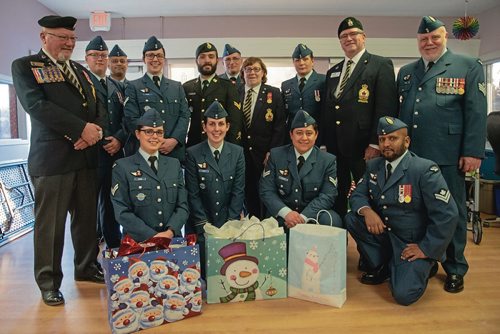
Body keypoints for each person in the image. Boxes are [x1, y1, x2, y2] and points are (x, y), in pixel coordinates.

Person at [11, 15, 107, 306]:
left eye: (72, 38)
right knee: (50, 227)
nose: (68, 43)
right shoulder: (26, 67)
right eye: (62, 37)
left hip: (87, 157)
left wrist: (96, 131)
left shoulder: (80, 69)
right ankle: (49, 282)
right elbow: (37, 106)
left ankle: (87, 267)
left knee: (87, 221)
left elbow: (97, 104)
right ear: (44, 38)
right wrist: (81, 130)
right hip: (53, 160)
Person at [397, 16, 487, 293]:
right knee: (418, 211)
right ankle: (428, 257)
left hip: (447, 156)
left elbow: (476, 112)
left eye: (434, 37)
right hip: (413, 157)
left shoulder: (467, 66)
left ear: (445, 36)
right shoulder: (407, 71)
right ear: (418, 42)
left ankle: (455, 267)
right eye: (424, 39)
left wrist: (472, 151)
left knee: (452, 213)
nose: (429, 42)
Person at [345, 116, 458, 305]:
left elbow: (447, 214)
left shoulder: (424, 169)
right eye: (382, 139)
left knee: (404, 296)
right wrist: (367, 211)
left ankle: (426, 264)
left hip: (411, 243)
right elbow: (357, 195)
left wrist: (425, 249)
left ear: (406, 141)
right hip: (385, 234)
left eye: (392, 138)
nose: (386, 144)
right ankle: (383, 265)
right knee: (352, 218)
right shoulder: (374, 166)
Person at [321, 17, 398, 220]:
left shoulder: (380, 65)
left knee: (370, 197)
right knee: (336, 196)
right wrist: (325, 144)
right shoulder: (333, 71)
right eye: (344, 36)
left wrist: (376, 142)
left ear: (363, 37)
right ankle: (337, 242)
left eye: (353, 34)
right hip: (335, 150)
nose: (349, 38)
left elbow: (386, 108)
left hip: (365, 149)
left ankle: (369, 249)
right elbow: (329, 110)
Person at [184, 101, 245, 276]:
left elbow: (238, 191)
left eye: (220, 124)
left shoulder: (237, 153)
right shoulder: (193, 153)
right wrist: (204, 225)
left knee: (230, 272)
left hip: (228, 221)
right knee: (203, 274)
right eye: (211, 124)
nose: (216, 129)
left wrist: (231, 223)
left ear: (227, 127)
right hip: (202, 222)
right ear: (204, 126)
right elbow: (192, 193)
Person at [111, 108, 188, 242]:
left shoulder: (174, 165)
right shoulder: (122, 167)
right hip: (137, 244)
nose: (154, 136)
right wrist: (151, 236)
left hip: (171, 242)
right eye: (148, 132)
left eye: (159, 132)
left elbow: (183, 206)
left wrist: (169, 233)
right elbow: (121, 211)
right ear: (137, 134)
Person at [260, 110, 342, 233]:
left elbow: (328, 195)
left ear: (316, 135)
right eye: (299, 133)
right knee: (268, 226)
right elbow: (266, 190)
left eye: (309, 133)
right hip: (284, 214)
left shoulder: (327, 160)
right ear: (291, 135)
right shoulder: (276, 155)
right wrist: (286, 213)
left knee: (332, 220)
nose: (304, 138)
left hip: (313, 214)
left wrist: (303, 217)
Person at [85, 36, 126, 249]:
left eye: (103, 55)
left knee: (112, 202)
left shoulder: (117, 87)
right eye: (95, 55)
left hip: (115, 153)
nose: (100, 59)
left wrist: (119, 138)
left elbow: (125, 117)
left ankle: (114, 244)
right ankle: (90, 252)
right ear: (87, 58)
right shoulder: (83, 82)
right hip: (91, 153)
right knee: (89, 205)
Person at [124, 36, 190, 161]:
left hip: (173, 152)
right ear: (143, 59)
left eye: (159, 56)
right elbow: (131, 119)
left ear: (164, 60)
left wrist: (174, 140)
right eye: (150, 55)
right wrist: (153, 141)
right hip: (144, 153)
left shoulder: (176, 86)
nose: (155, 59)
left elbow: (184, 116)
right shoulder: (133, 87)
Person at [241, 57, 286, 219]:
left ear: (263, 73)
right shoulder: (235, 92)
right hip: (241, 154)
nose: (252, 72)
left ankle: (266, 227)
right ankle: (250, 225)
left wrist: (272, 152)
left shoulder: (273, 93)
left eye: (256, 69)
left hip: (264, 155)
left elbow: (280, 126)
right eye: (248, 69)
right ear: (243, 73)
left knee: (266, 193)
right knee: (247, 194)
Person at [183, 42, 243, 147]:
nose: (207, 60)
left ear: (217, 60)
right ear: (196, 61)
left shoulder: (228, 87)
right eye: (202, 57)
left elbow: (234, 122)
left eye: (211, 56)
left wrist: (231, 150)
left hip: (220, 146)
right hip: (194, 146)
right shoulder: (187, 87)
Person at [281, 43, 325, 129]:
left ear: (312, 61)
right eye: (297, 60)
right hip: (293, 134)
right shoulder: (286, 85)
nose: (301, 63)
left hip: (317, 132)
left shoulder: (324, 80)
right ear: (293, 62)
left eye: (305, 59)